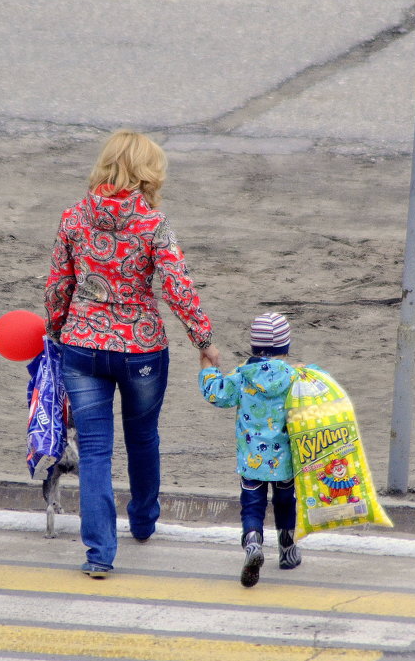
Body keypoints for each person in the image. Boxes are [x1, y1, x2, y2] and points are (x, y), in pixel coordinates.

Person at [44, 130, 221, 578]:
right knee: (143, 437)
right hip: (141, 347)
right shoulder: (152, 224)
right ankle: (143, 521)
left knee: (97, 450)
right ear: (147, 172)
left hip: (82, 347)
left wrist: (55, 331)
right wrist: (204, 342)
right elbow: (178, 287)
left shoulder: (73, 218)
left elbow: (58, 286)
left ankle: (99, 554)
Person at [199, 312, 302, 587]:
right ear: (285, 347)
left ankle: (253, 542)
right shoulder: (294, 377)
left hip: (252, 459)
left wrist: (207, 367)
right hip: (285, 460)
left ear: (254, 346)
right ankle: (288, 549)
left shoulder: (242, 375)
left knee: (252, 505)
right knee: (285, 502)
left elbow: (216, 394)